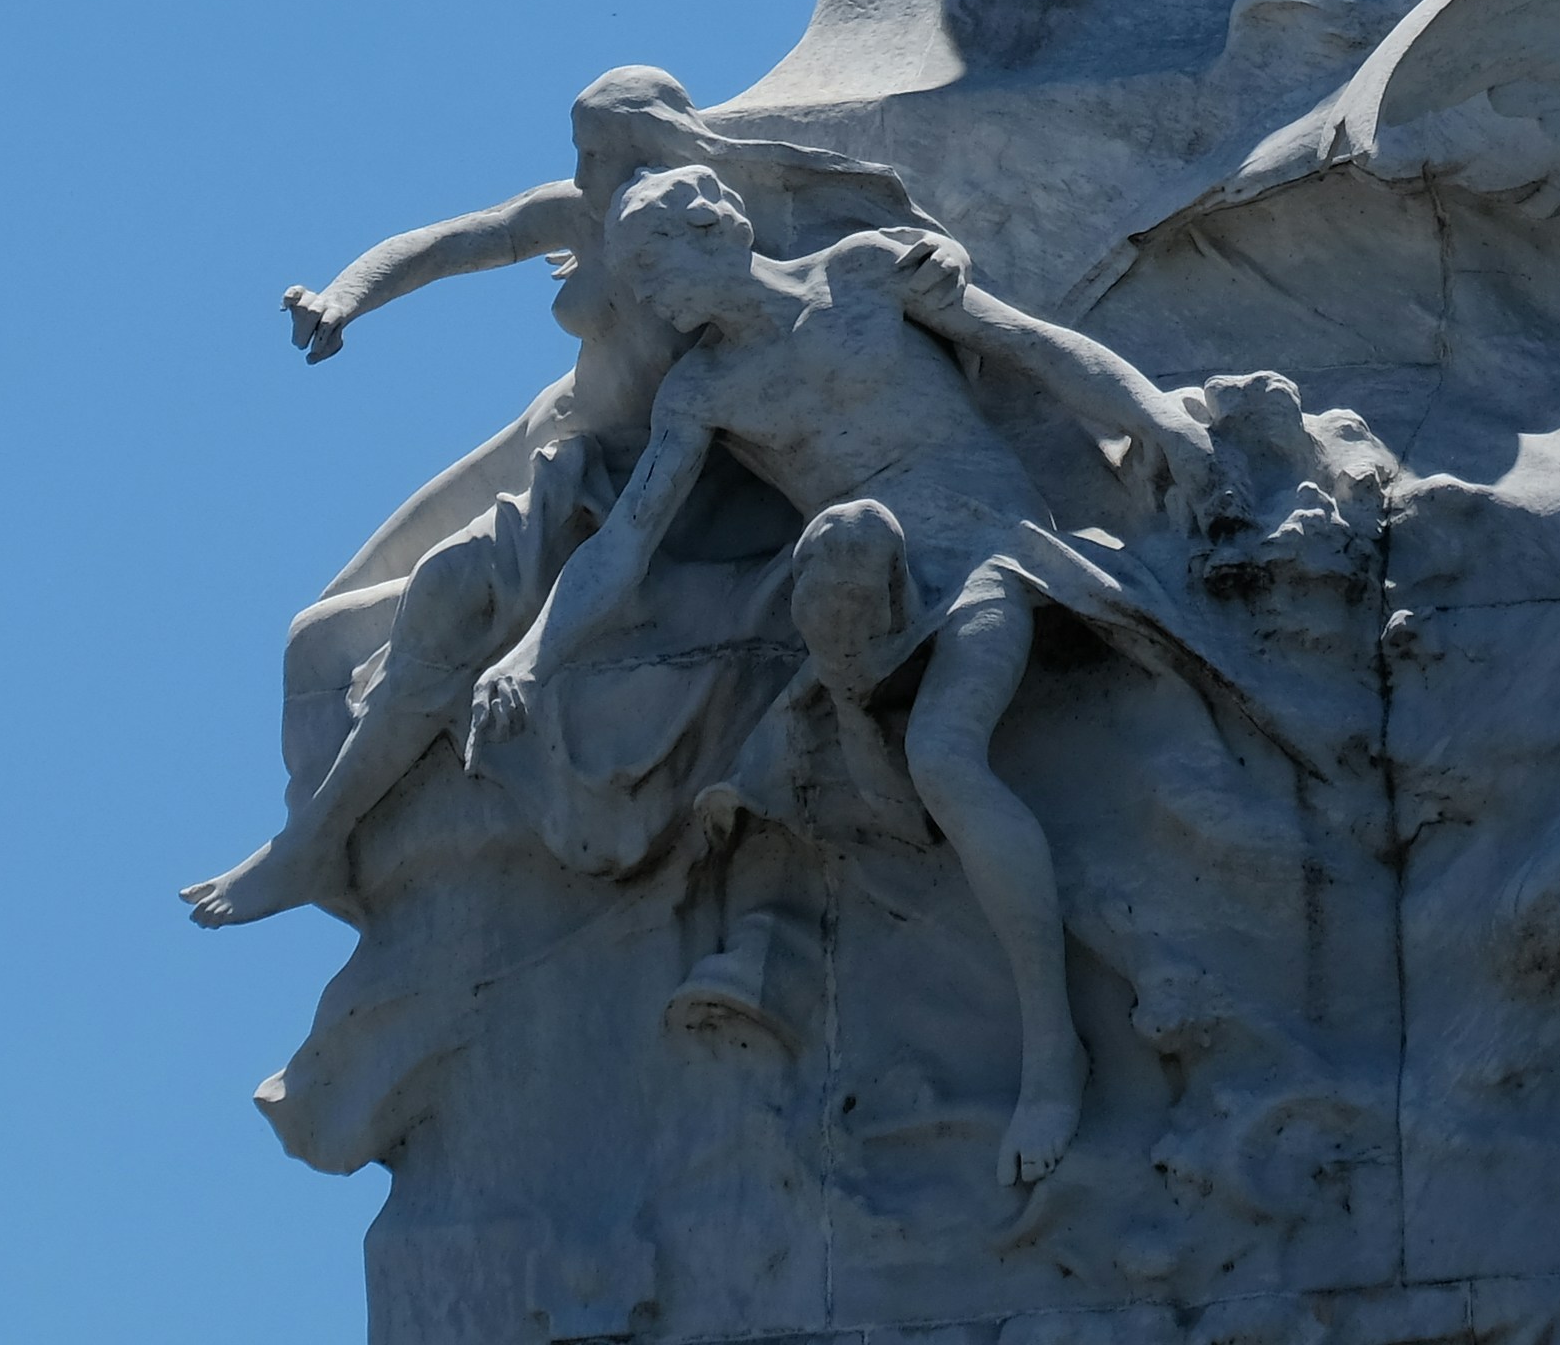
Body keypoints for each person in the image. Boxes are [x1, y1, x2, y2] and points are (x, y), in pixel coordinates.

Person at [192, 166, 1247, 1196]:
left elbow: (1038, 349)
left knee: (946, 755)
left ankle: (1053, 1054)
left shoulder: (865, 274)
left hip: (984, 550)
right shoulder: (703, 391)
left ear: (716, 234)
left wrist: (1161, 423)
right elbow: (625, 542)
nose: (652, 302)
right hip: (865, 591)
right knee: (847, 557)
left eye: (656, 272)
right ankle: (858, 774)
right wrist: (529, 654)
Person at [253, 70, 930, 817]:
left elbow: (856, 284)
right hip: (547, 435)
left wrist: (938, 263)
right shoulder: (579, 212)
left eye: (595, 153)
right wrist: (344, 298)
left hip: (619, 480)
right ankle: (316, 827)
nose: (580, 173)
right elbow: (454, 242)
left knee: (385, 619)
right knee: (323, 627)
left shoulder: (721, 225)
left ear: (651, 144)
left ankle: (327, 834)